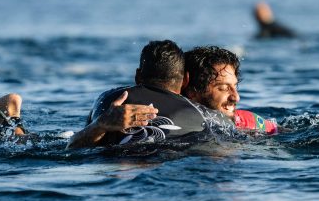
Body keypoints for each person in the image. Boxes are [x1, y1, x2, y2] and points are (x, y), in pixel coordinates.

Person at [66, 39, 232, 149]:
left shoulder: (111, 101)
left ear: (138, 76)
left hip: (116, 168)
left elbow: (72, 149)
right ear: (186, 80)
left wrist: (101, 125)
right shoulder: (204, 115)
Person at [183, 46, 279, 135]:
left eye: (235, 86)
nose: (236, 97)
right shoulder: (174, 127)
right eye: (224, 88)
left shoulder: (248, 122)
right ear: (192, 92)